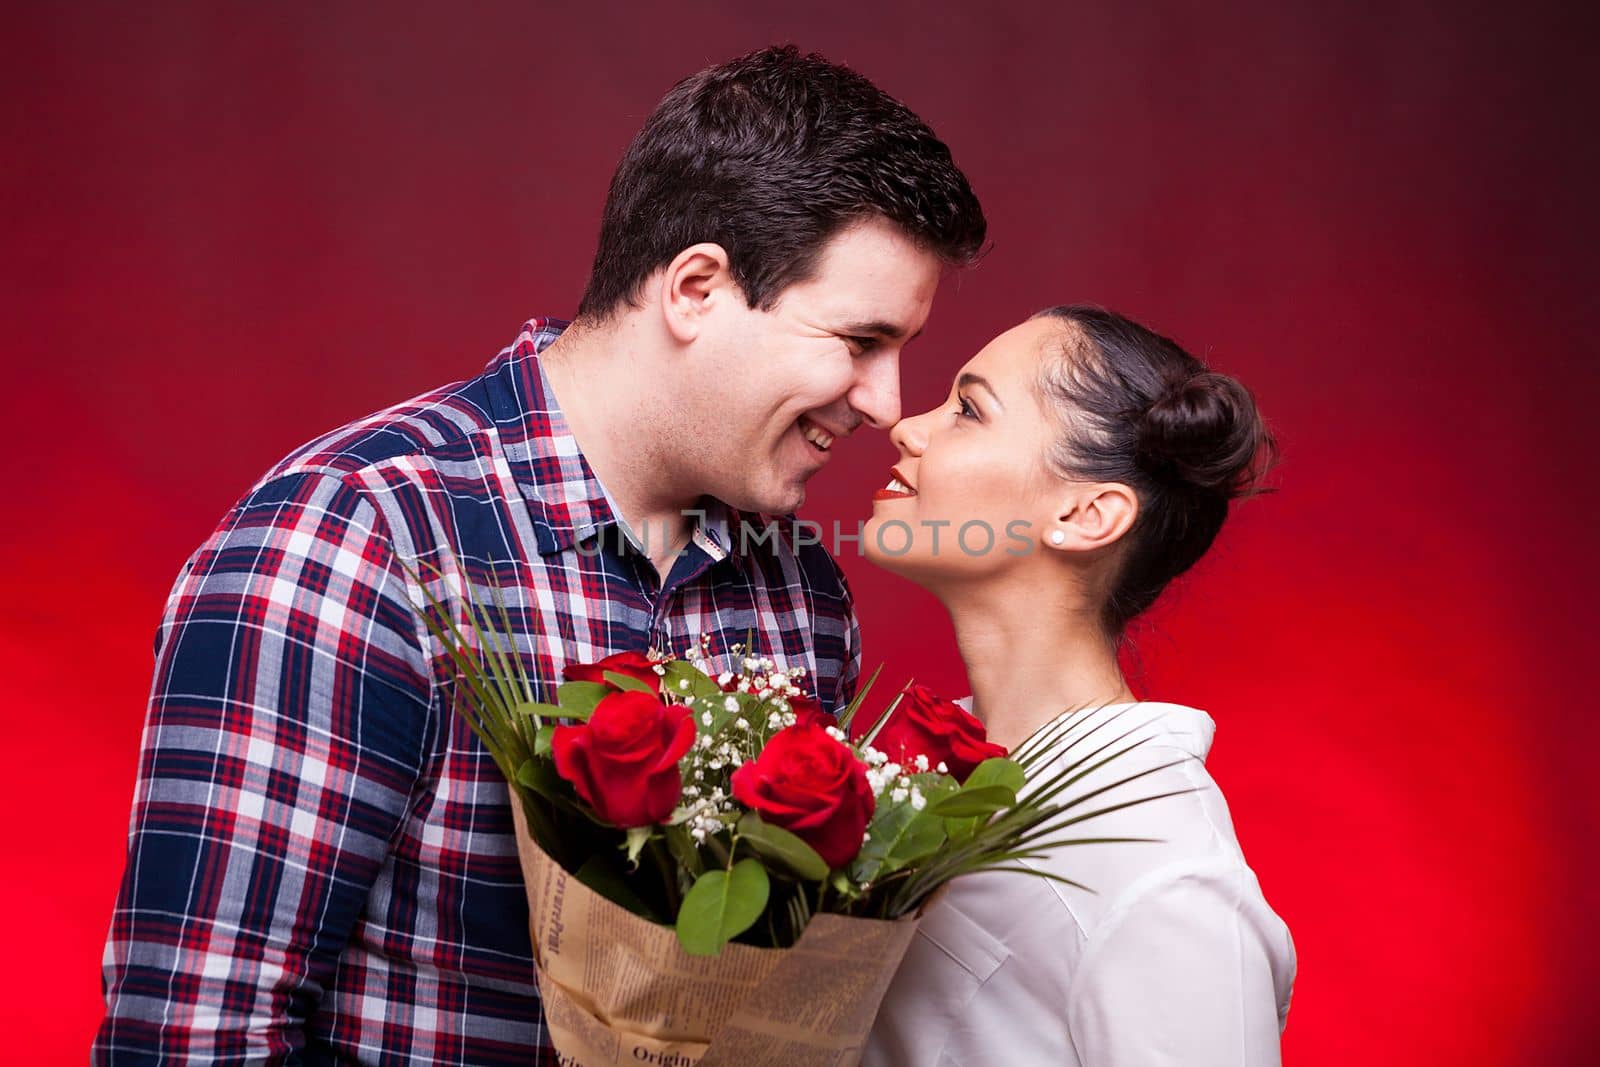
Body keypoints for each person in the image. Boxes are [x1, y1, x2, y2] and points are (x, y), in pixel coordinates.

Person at [94, 46, 985, 1064]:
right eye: (859, 340)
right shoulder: (356, 539)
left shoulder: (799, 592)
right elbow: (192, 1035)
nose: (885, 401)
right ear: (695, 288)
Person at [861, 306, 1296, 1065]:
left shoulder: (1165, 881)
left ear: (1085, 513)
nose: (908, 426)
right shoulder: (924, 779)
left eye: (969, 409)